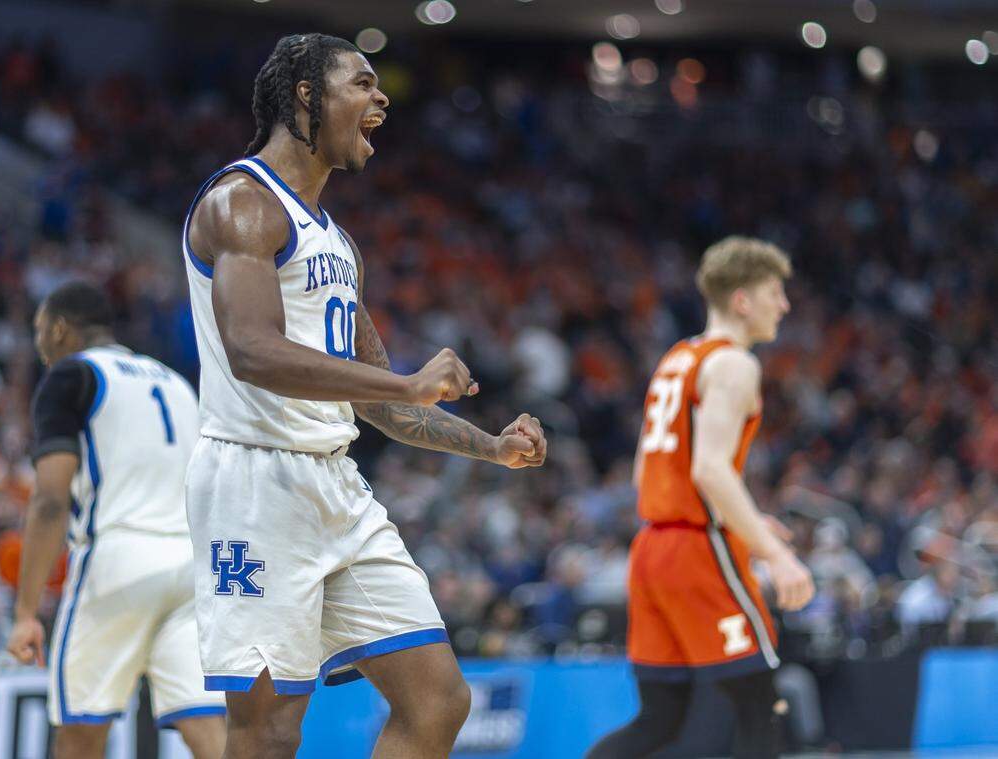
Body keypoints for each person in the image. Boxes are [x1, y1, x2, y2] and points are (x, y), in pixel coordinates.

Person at [182, 33, 547, 759]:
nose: (382, 98)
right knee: (269, 728)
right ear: (306, 96)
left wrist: (491, 446)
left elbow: (385, 405)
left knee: (438, 699)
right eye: (363, 83)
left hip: (336, 485)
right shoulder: (242, 202)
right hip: (254, 484)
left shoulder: (337, 242)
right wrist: (407, 379)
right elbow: (252, 351)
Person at [587, 237, 816, 759]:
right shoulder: (734, 364)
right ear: (742, 300)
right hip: (695, 549)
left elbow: (647, 471)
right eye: (775, 293)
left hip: (651, 550)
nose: (783, 305)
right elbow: (710, 470)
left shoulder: (677, 357)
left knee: (658, 722)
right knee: (760, 706)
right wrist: (776, 556)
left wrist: (747, 520)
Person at [5, 282, 225, 759]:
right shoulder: (175, 381)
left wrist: (25, 612)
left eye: (40, 331)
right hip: (192, 566)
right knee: (205, 725)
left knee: (81, 728)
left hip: (117, 559)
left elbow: (49, 500)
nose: (40, 343)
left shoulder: (69, 376)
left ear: (60, 329)